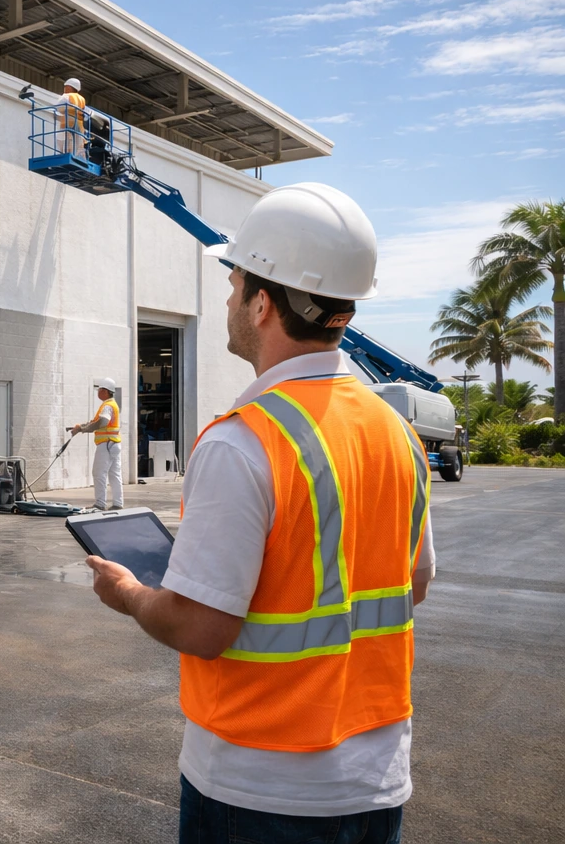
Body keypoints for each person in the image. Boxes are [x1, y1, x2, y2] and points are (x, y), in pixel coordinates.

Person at [85, 182, 435, 844]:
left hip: (260, 786)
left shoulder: (243, 442)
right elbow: (412, 584)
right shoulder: (399, 434)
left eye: (236, 281)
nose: (227, 299)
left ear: (264, 304)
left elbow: (201, 626)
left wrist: (130, 594)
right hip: (376, 778)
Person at [67, 377, 123, 510]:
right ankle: (118, 503)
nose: (98, 392)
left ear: (105, 391)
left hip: (106, 445)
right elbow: (95, 422)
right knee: (115, 475)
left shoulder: (107, 406)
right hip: (113, 445)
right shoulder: (112, 404)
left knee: (99, 473)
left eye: (99, 390)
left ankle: (100, 504)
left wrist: (83, 429)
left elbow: (102, 422)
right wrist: (80, 427)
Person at [55, 77, 87, 157]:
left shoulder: (66, 96)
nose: (64, 89)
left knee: (65, 143)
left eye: (65, 87)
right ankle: (78, 158)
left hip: (67, 123)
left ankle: (64, 156)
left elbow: (58, 107)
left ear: (69, 87)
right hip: (79, 126)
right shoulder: (82, 99)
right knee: (77, 145)